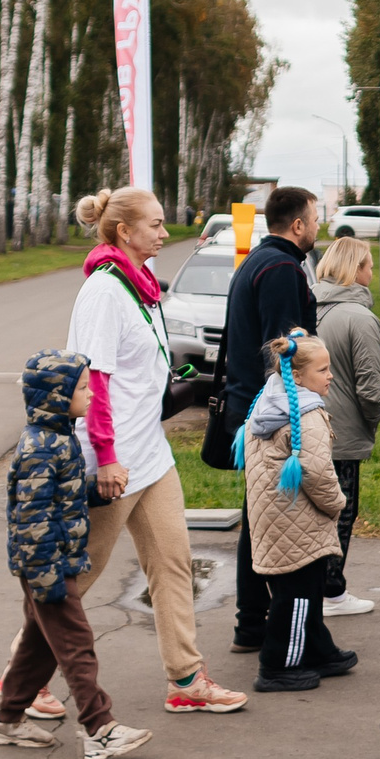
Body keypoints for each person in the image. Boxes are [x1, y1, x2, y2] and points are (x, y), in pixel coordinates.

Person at [58, 188, 244, 715]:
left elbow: (144, 367)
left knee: (173, 562)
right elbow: (93, 379)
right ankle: (24, 679)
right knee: (78, 576)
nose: (166, 233)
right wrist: (107, 457)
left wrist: (183, 379)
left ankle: (186, 679)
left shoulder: (140, 286)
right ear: (124, 232)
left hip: (152, 454)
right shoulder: (103, 291)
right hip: (112, 460)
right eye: (157, 225)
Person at [0, 349, 152, 759]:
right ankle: (100, 729)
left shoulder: (58, 437)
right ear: (56, 396)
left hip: (54, 561)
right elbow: (31, 517)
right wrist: (48, 578)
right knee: (76, 643)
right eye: (82, 388)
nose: (92, 395)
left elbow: (61, 498)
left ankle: (6, 721)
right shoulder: (40, 448)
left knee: (40, 645)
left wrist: (96, 492)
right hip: (47, 565)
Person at [221, 187, 322, 653]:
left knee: (257, 514)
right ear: (297, 225)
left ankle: (251, 623)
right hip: (272, 413)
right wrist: (293, 417)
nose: (318, 226)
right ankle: (259, 625)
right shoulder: (282, 269)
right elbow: (286, 352)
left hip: (252, 404)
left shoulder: (257, 261)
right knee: (272, 517)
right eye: (315, 218)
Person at [241, 330, 355, 692]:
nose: (330, 376)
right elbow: (317, 471)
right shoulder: (308, 414)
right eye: (323, 370)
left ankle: (318, 649)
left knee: (301, 589)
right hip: (297, 518)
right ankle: (279, 665)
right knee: (299, 595)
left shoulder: (268, 400)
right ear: (300, 376)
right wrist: (338, 504)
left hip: (273, 515)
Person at [313, 236, 380, 619]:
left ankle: (314, 587)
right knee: (342, 509)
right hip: (342, 434)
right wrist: (370, 422)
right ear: (355, 270)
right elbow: (371, 387)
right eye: (369, 265)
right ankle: (331, 589)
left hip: (305, 425)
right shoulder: (360, 318)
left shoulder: (309, 307)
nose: (372, 272)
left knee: (311, 510)